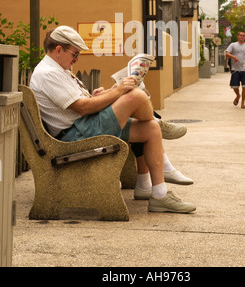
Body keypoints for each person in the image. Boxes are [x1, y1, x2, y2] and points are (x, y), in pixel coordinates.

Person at [30, 26, 196, 214]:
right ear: (59, 50)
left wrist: (105, 94)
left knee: (150, 128)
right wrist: (117, 92)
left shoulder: (58, 69)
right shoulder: (48, 73)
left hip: (83, 127)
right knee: (136, 97)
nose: (76, 59)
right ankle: (160, 124)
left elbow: (82, 103)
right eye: (75, 54)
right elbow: (82, 107)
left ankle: (160, 195)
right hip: (74, 136)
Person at [225, 31, 245, 109]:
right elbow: (227, 53)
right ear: (238, 36)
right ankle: (238, 95)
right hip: (235, 69)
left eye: (244, 35)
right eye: (241, 35)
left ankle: (243, 103)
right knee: (235, 86)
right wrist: (233, 57)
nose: (242, 37)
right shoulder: (233, 45)